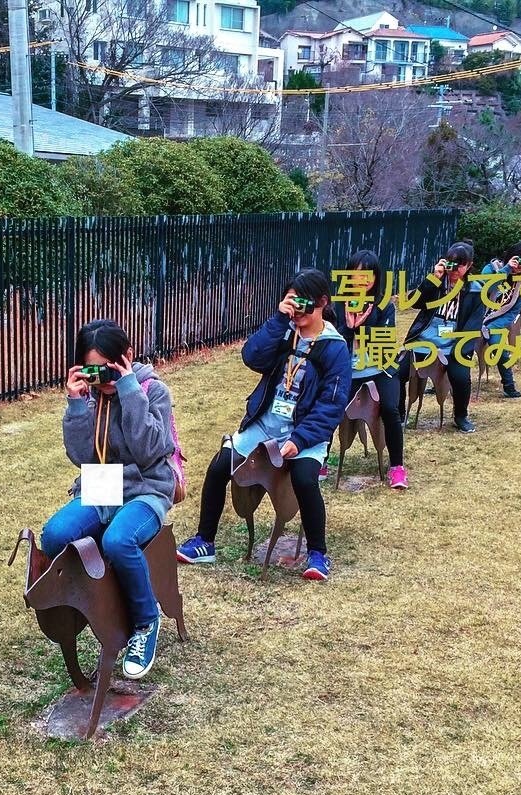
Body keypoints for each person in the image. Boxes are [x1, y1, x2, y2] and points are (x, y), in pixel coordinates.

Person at [177, 269, 351, 581]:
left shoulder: (334, 347)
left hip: (305, 432)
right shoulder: (285, 332)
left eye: (304, 303)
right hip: (265, 424)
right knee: (220, 466)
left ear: (323, 302)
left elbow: (332, 404)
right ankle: (205, 541)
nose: (297, 309)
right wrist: (277, 320)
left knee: (305, 479)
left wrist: (300, 439)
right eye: (292, 300)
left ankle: (317, 554)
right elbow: (252, 356)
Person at [40, 319, 176, 680]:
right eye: (93, 368)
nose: (103, 377)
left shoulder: (152, 389)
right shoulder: (91, 397)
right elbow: (81, 456)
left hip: (146, 486)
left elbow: (150, 451)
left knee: (119, 539)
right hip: (101, 485)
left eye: (109, 366)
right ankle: (95, 603)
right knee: (54, 535)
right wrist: (75, 404)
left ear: (127, 357)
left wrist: (129, 389)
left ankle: (146, 624)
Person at [328, 249, 407, 489]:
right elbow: (331, 338)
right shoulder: (338, 304)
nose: (361, 280)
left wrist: (359, 328)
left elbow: (384, 341)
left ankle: (397, 467)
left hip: (380, 368)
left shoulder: (384, 306)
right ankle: (319, 459)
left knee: (391, 410)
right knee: (328, 407)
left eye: (368, 275)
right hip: (347, 371)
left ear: (376, 277)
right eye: (356, 274)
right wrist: (348, 328)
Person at [402, 239, 486, 434]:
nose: (454, 269)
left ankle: (460, 416)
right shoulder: (437, 282)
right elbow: (415, 302)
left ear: (469, 266)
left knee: (461, 377)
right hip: (424, 340)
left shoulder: (476, 290)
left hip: (454, 344)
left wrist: (462, 352)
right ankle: (399, 414)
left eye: (460, 265)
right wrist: (433, 277)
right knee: (397, 373)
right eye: (451, 263)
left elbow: (473, 325)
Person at [476, 241, 521, 400]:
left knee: (499, 347)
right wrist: (507, 269)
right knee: (454, 344)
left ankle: (509, 386)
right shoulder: (492, 268)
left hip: (497, 321)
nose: (520, 265)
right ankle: (439, 383)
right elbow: (483, 288)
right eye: (519, 259)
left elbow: (513, 311)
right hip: (475, 315)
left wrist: (491, 324)